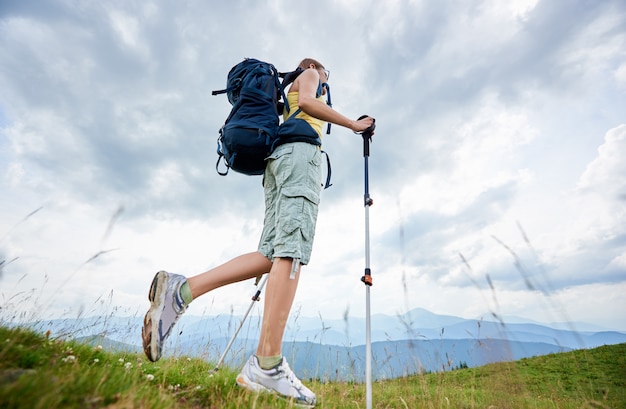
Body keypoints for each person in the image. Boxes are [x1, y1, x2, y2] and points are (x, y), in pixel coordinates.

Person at [141, 58, 374, 408]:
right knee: (290, 252)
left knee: (270, 256)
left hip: (279, 164)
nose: (326, 78)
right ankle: (268, 362)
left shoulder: (283, 95)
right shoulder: (309, 75)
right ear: (313, 66)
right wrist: (354, 124)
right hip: (300, 160)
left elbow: (298, 107)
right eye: (326, 72)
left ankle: (182, 290)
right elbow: (311, 103)